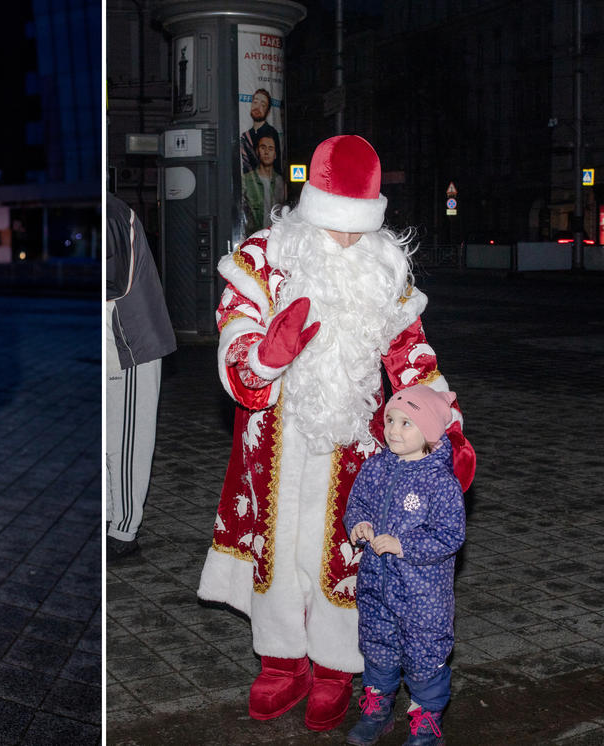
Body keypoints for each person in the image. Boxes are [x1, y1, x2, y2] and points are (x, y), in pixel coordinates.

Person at [196, 135, 475, 731]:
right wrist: (266, 355)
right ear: (310, 210)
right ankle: (279, 661)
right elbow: (234, 341)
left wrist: (445, 426)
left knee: (345, 552)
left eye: (358, 227)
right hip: (277, 433)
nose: (347, 240)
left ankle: (334, 669)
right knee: (278, 542)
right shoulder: (264, 258)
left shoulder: (383, 268)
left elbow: (412, 355)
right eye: (334, 226)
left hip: (361, 441)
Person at [343, 385, 465, 746]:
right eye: (390, 420)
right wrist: (359, 523)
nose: (393, 431)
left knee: (424, 655)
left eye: (406, 423)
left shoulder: (440, 483)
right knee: (378, 646)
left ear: (428, 432)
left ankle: (426, 722)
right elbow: (358, 503)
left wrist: (404, 545)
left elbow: (450, 534)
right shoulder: (376, 467)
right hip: (376, 586)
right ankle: (377, 711)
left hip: (422, 595)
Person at [105, 194, 176, 560]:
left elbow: (113, 282)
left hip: (130, 343)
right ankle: (112, 519)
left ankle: (123, 529)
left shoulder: (111, 212)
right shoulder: (109, 210)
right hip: (118, 340)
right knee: (110, 440)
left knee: (127, 440)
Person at [242, 132, 287, 235]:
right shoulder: (247, 180)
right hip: (253, 237)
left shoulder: (280, 181)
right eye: (263, 148)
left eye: (270, 149)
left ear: (275, 154)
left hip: (275, 236)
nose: (266, 152)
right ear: (257, 151)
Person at [240, 89, 281, 177]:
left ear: (268, 111)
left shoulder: (272, 133)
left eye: (263, 105)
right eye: (255, 102)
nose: (257, 107)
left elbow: (277, 166)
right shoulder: (245, 136)